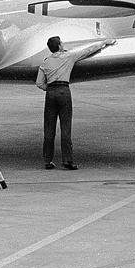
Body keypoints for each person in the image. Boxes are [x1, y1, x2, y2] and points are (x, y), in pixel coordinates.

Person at [35, 36, 116, 170]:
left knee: (49, 128)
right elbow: (88, 50)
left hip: (50, 93)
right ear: (60, 46)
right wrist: (103, 43)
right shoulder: (69, 56)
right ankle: (67, 160)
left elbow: (39, 83)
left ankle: (47, 161)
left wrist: (50, 89)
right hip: (63, 91)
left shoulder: (45, 62)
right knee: (65, 127)